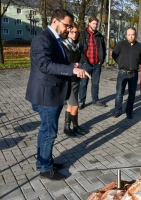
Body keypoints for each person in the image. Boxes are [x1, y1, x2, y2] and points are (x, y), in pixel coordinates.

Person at [25, 9, 91, 181]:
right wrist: (72, 69)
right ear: (55, 21)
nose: (69, 29)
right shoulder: (43, 39)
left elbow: (55, 61)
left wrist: (70, 63)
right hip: (47, 94)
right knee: (49, 132)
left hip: (51, 92)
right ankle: (46, 168)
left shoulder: (56, 39)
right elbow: (45, 64)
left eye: (70, 27)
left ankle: (43, 161)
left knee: (45, 129)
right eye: (67, 25)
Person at [112, 27, 141, 119]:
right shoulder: (121, 45)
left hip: (134, 74)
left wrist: (135, 64)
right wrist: (120, 62)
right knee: (119, 93)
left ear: (135, 35)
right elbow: (114, 55)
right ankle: (118, 110)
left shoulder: (140, 46)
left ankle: (129, 111)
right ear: (126, 35)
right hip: (122, 73)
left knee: (132, 94)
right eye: (129, 34)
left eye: (133, 34)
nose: (131, 36)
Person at [62, 22, 85, 136]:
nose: (74, 35)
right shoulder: (64, 45)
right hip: (68, 79)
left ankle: (68, 127)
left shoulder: (78, 46)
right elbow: (61, 62)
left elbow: (82, 60)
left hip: (77, 79)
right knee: (75, 105)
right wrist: (70, 65)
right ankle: (74, 126)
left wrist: (79, 64)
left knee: (70, 105)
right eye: (72, 32)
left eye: (76, 32)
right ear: (68, 32)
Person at [78, 17, 106, 109]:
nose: (95, 25)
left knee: (95, 84)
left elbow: (103, 49)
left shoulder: (99, 36)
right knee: (83, 84)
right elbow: (80, 49)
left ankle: (95, 100)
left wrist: (100, 61)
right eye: (93, 23)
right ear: (89, 23)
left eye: (96, 24)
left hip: (96, 64)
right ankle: (81, 101)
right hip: (85, 63)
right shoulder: (82, 34)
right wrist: (82, 60)